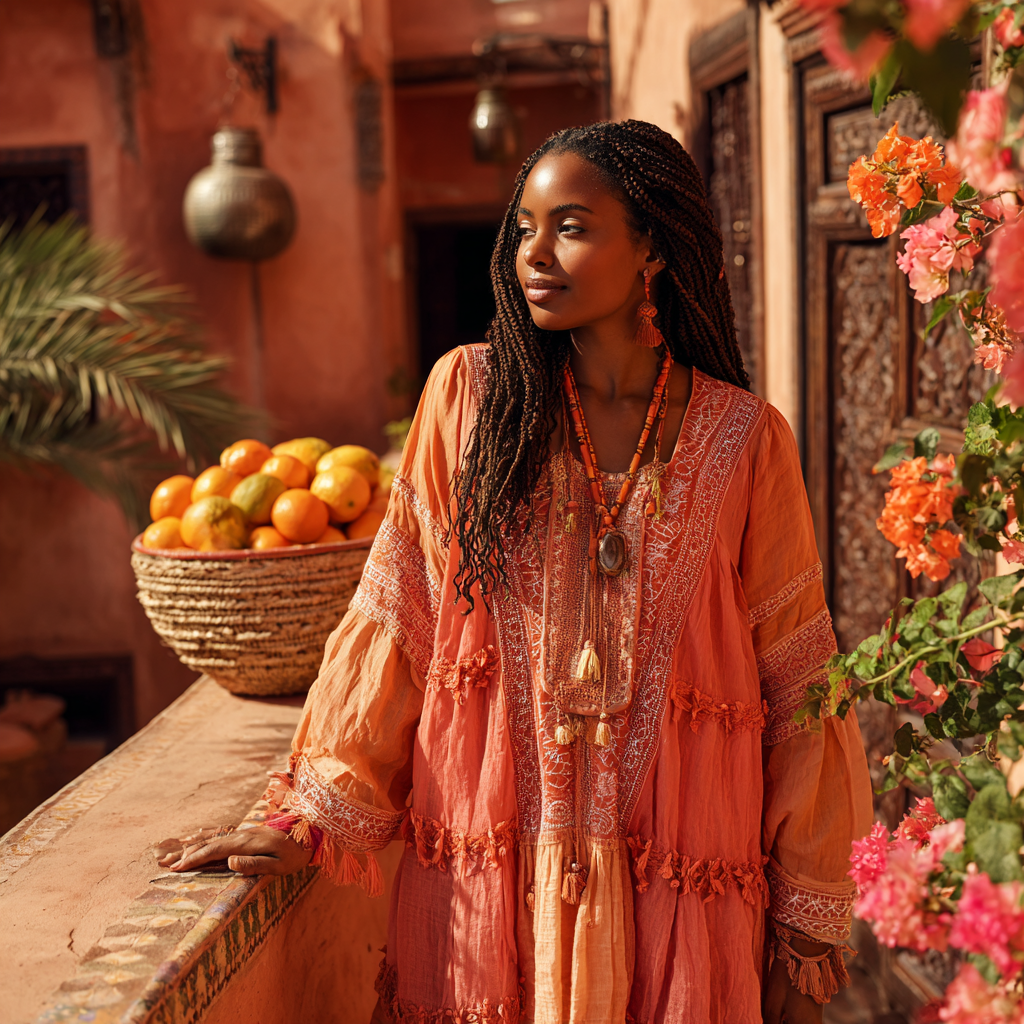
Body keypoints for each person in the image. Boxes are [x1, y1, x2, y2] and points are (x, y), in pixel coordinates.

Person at [164, 120, 872, 1024]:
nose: (535, 253)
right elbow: (399, 620)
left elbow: (801, 682)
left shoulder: (745, 439)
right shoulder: (468, 400)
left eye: (572, 226)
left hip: (684, 901)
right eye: (526, 226)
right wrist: (305, 816)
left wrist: (806, 926)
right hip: (485, 900)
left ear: (651, 244)